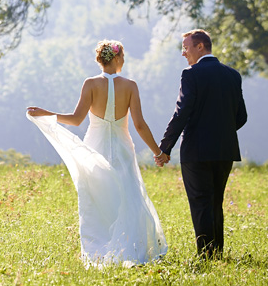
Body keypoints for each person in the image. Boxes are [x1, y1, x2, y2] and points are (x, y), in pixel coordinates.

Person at [26, 40, 168, 268]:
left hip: (95, 146)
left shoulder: (90, 84)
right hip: (122, 148)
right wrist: (158, 152)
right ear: (119, 58)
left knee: (97, 198)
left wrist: (46, 113)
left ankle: (99, 252)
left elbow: (75, 119)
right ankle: (130, 250)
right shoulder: (130, 85)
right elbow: (140, 125)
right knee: (128, 196)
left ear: (100, 59)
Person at [156, 29, 247, 259]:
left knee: (200, 202)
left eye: (186, 47)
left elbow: (181, 113)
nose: (183, 53)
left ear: (200, 46)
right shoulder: (233, 75)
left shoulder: (191, 74)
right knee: (216, 202)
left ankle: (207, 256)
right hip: (225, 150)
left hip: (196, 150)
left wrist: (165, 148)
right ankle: (217, 254)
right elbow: (241, 116)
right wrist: (221, 132)